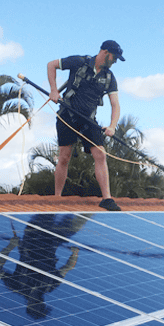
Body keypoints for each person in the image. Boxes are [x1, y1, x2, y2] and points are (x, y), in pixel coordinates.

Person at [47, 40, 125, 211]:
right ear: (105, 52)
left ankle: (107, 199)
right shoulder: (79, 62)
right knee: (65, 157)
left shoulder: (109, 78)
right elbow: (51, 65)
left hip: (88, 120)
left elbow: (115, 105)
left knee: (100, 154)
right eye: (114, 57)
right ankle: (57, 198)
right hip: (67, 115)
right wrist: (54, 90)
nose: (115, 61)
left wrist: (112, 126)